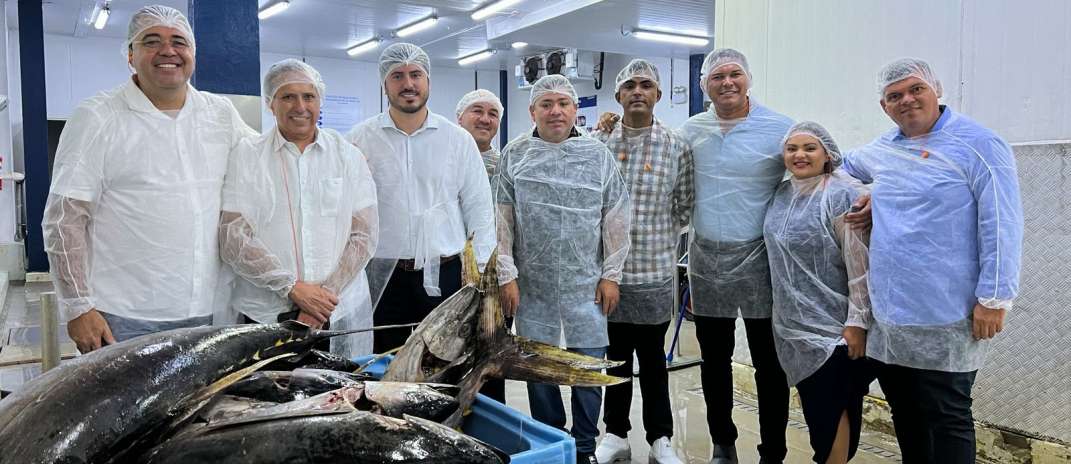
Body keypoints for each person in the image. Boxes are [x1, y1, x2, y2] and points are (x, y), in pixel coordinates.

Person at [840, 58, 1023, 464]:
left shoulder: (979, 144)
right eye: (894, 96)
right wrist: (867, 194)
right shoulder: (882, 150)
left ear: (936, 89)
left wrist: (993, 298)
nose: (906, 100)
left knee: (948, 415)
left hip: (949, 313)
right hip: (890, 315)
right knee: (906, 413)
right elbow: (836, 170)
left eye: (915, 89)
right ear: (884, 106)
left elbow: (1002, 223)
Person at [41, 5, 254, 352]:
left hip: (208, 311)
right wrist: (78, 306)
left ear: (193, 55)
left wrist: (344, 155)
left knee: (201, 407)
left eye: (179, 42)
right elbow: (64, 219)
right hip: (124, 317)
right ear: (130, 55)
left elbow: (267, 163)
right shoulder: (98, 118)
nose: (168, 51)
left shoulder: (220, 115)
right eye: (151, 41)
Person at [495, 74, 631, 464]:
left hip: (585, 284)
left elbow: (616, 217)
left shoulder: (596, 155)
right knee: (541, 372)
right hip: (532, 286)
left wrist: (610, 275)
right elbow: (501, 220)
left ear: (575, 109)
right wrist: (507, 274)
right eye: (546, 104)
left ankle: (585, 448)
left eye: (563, 103)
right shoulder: (515, 154)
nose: (555, 111)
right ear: (532, 110)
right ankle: (554, 443)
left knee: (587, 371)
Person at [217, 59, 378, 357]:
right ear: (270, 103)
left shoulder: (348, 157)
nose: (300, 106)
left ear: (320, 101)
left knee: (337, 398)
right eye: (288, 96)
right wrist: (292, 288)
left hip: (336, 312)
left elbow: (364, 236)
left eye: (309, 96)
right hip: (265, 315)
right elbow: (233, 236)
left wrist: (322, 299)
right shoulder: (247, 156)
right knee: (267, 396)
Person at [679, 48, 794, 464]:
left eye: (734, 75)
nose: (727, 82)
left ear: (748, 79)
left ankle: (773, 451)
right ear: (704, 85)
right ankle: (722, 443)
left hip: (761, 261)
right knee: (714, 360)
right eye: (717, 77)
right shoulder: (691, 130)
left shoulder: (779, 128)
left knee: (769, 363)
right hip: (708, 260)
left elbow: (819, 165)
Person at [347, 43, 495, 353]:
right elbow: (347, 211)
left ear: (428, 81)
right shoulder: (360, 139)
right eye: (397, 76)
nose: (408, 84)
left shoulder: (457, 140)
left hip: (445, 275)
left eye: (416, 74)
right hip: (383, 277)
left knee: (443, 365)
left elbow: (479, 208)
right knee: (385, 365)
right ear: (385, 84)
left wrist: (481, 277)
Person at [590, 59, 691, 464]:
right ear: (617, 95)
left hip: (653, 272)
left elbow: (684, 204)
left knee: (653, 361)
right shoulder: (599, 143)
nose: (637, 91)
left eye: (645, 85)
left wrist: (655, 236)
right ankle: (615, 433)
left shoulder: (675, 145)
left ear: (657, 95)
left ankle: (660, 438)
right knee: (614, 360)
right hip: (608, 276)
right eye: (629, 85)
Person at [764, 122, 874, 464]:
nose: (799, 155)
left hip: (835, 328)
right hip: (791, 327)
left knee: (834, 408)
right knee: (816, 409)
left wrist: (857, 321)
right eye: (792, 148)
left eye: (809, 148)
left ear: (828, 154)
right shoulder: (781, 194)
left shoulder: (842, 194)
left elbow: (860, 264)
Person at [456, 89, 503, 177]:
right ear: (460, 117)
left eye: (492, 114)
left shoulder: (505, 167)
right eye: (477, 111)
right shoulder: (443, 157)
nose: (485, 120)